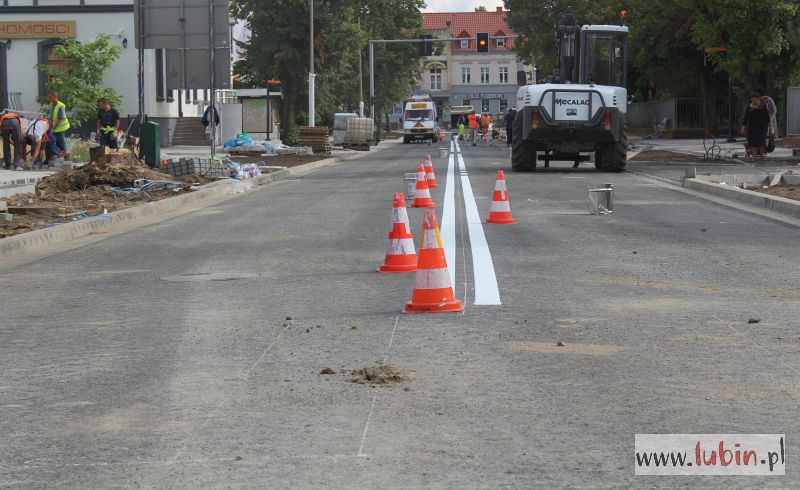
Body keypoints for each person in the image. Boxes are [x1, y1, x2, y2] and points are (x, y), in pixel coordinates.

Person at [740, 92, 771, 161]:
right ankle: (753, 157)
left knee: (761, 141)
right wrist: (743, 128)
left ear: (758, 99)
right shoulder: (749, 107)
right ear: (751, 99)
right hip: (752, 127)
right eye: (753, 99)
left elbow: (767, 117)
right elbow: (745, 118)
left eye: (756, 99)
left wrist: (770, 126)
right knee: (753, 142)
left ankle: (762, 155)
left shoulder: (763, 106)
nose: (754, 101)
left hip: (762, 127)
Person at [47, 90, 70, 160]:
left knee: (62, 145)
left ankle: (66, 160)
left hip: (61, 129)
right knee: (54, 145)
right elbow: (52, 117)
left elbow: (60, 119)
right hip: (55, 129)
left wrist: (53, 129)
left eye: (50, 97)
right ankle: (53, 160)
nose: (49, 99)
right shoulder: (52, 105)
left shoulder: (60, 106)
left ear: (54, 96)